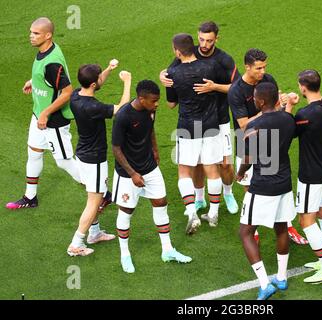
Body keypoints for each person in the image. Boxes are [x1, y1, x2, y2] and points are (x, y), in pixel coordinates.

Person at [228, 48, 307, 245]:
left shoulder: (268, 80)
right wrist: (269, 113)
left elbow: (276, 108)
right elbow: (244, 125)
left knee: (278, 186)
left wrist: (285, 103)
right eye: (258, 68)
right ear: (247, 67)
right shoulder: (236, 90)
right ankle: (253, 229)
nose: (263, 72)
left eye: (264, 67)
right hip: (247, 143)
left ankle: (286, 226)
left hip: (271, 142)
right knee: (249, 186)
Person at [159, 21, 240, 214]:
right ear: (197, 36)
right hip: (198, 121)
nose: (204, 44)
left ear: (216, 39)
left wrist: (215, 87)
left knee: (225, 163)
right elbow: (170, 73)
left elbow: (238, 88)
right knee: (197, 163)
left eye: (209, 40)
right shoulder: (188, 53)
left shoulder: (224, 60)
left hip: (219, 118)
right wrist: (162, 76)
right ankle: (200, 198)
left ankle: (228, 193)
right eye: (201, 39)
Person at [112, 79, 192, 273]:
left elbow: (150, 129)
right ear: (141, 99)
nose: (157, 104)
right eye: (154, 101)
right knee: (126, 211)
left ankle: (167, 250)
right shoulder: (123, 116)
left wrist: (155, 150)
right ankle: (125, 254)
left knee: (161, 203)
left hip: (149, 167)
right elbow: (116, 149)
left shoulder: (150, 110)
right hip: (127, 173)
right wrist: (132, 174)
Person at [6, 17, 81, 209]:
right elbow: (47, 76)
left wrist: (46, 113)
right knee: (34, 153)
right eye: (31, 32)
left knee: (64, 162)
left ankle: (100, 191)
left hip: (53, 120)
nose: (31, 36)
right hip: (39, 115)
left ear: (48, 35)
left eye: (36, 33)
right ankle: (30, 198)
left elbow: (67, 92)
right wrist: (34, 80)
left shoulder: (52, 63)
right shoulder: (45, 50)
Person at [237, 82, 296, 300]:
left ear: (261, 101)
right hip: (284, 183)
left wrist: (240, 173)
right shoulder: (289, 119)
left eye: (255, 97)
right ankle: (281, 277)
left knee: (245, 232)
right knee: (281, 227)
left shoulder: (256, 126)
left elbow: (249, 158)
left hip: (262, 185)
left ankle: (264, 284)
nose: (253, 99)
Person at [67, 62, 131, 256]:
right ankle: (76, 243)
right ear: (94, 84)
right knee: (94, 201)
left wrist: (109, 69)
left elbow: (97, 81)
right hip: (94, 160)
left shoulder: (76, 95)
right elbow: (122, 109)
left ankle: (94, 233)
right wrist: (127, 82)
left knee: (98, 195)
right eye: (99, 78)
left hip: (83, 155)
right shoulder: (93, 106)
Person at [165, 33, 223, 234]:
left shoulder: (173, 74)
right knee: (212, 169)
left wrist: (166, 76)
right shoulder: (210, 67)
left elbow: (171, 104)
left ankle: (192, 213)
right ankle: (214, 213)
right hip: (210, 124)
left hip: (188, 125)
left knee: (184, 171)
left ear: (177, 51)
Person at [287, 70, 322, 284]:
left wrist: (289, 106)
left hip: (311, 174)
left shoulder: (304, 116)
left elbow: (288, 131)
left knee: (306, 220)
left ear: (303, 87)